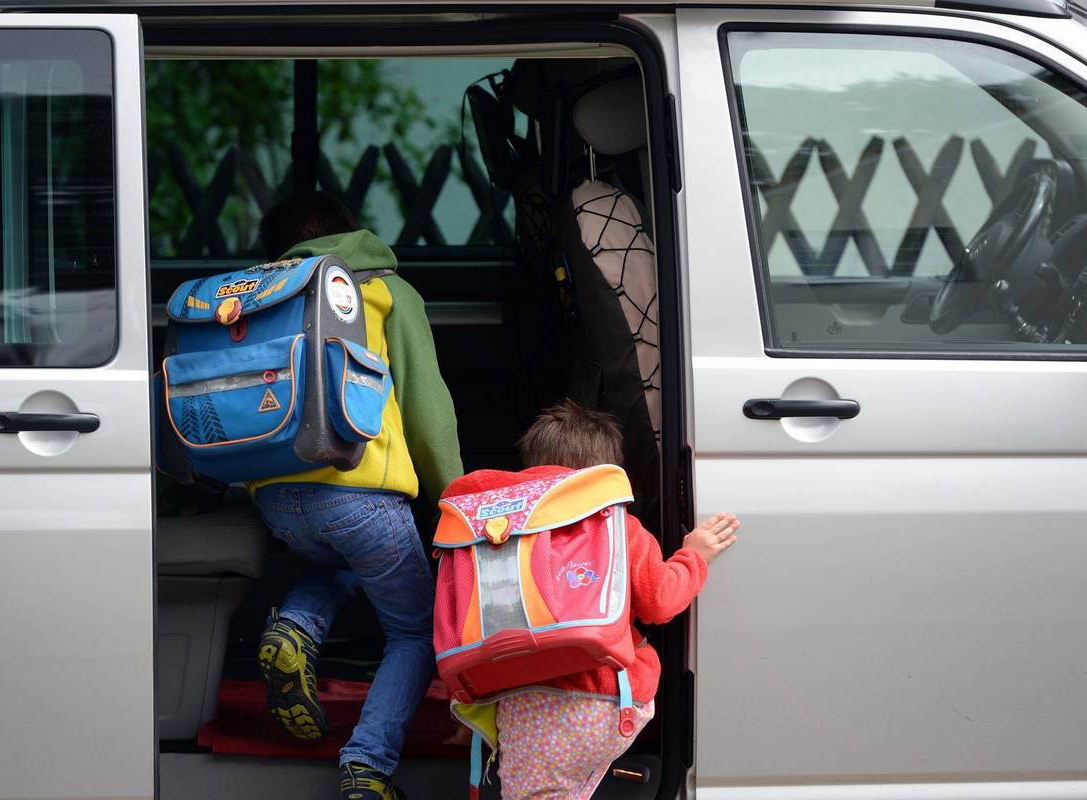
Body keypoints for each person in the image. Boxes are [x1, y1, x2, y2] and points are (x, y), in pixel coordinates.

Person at [250, 191, 463, 800]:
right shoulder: (383, 290)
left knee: (344, 561)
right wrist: (458, 501)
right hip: (360, 495)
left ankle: (295, 624)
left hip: (278, 500)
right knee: (417, 630)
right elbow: (427, 410)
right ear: (352, 232)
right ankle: (368, 765)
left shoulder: (264, 292)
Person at [440, 400, 738, 800]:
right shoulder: (618, 528)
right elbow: (659, 601)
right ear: (603, 475)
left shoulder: (494, 536)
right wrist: (694, 557)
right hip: (604, 699)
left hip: (520, 705)